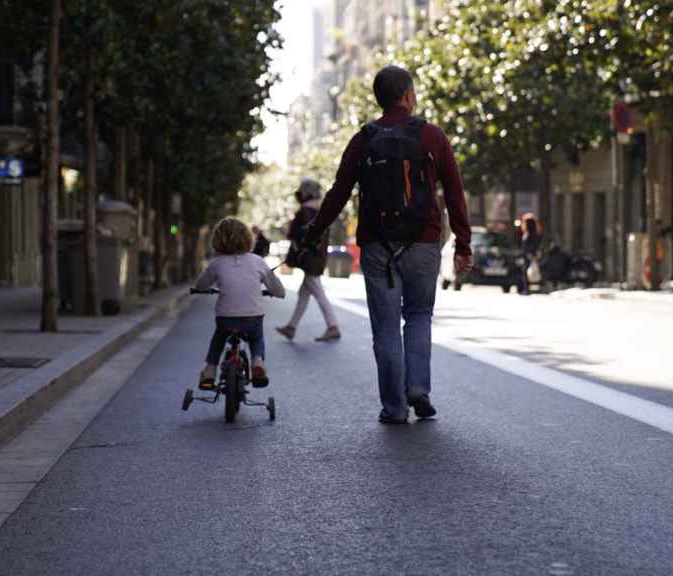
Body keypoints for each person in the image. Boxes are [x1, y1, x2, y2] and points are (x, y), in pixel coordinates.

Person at [300, 65, 473, 424]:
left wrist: (314, 232)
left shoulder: (364, 139)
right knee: (419, 316)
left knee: (386, 326)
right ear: (408, 95)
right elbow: (455, 194)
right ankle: (418, 389)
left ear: (379, 98)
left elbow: (338, 194)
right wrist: (462, 245)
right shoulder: (433, 137)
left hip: (377, 247)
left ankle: (394, 407)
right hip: (424, 243)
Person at [195, 217, 286, 390]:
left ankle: (209, 370)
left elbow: (201, 285)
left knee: (219, 338)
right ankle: (258, 361)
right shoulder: (258, 261)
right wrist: (277, 293)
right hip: (252, 317)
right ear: (248, 238)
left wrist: (202, 289)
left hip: (226, 318)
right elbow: (278, 290)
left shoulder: (217, 264)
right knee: (256, 337)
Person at [275, 178, 341, 342]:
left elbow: (293, 234)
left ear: (307, 192)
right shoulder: (322, 210)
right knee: (303, 294)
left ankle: (333, 327)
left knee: (319, 293)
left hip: (308, 259)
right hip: (317, 257)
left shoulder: (304, 211)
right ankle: (291, 327)